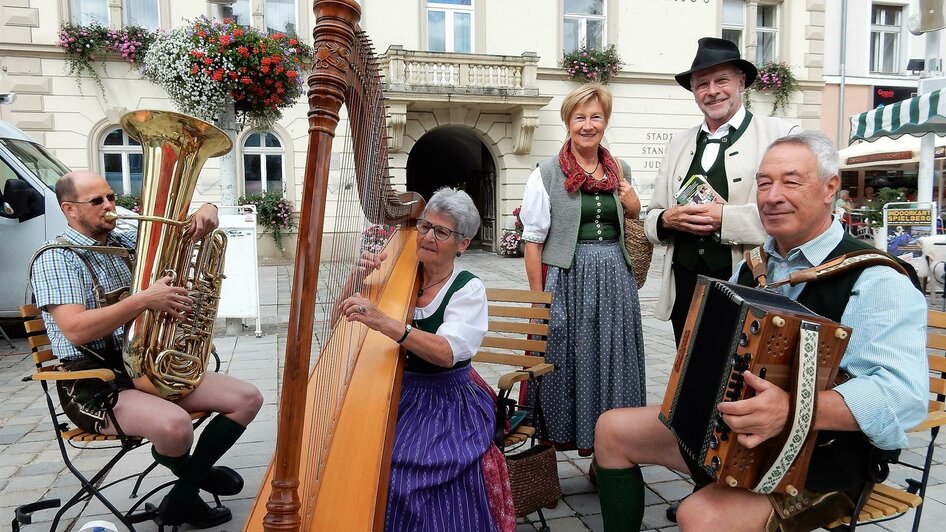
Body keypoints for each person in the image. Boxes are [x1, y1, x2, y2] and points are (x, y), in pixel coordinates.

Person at [594, 132, 928, 531]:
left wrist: (793, 410)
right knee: (612, 429)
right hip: (737, 431)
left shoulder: (875, 277)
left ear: (829, 188)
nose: (772, 196)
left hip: (825, 456)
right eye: (764, 183)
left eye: (791, 181)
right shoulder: (754, 266)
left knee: (699, 516)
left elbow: (903, 395)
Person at [29, 171, 263, 529]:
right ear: (69, 209)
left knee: (247, 398)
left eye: (110, 196)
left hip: (147, 364)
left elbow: (187, 230)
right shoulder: (57, 258)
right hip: (93, 382)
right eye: (97, 201)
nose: (110, 206)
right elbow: (75, 330)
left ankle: (181, 496)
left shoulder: (125, 238)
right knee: (175, 426)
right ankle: (194, 485)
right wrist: (144, 300)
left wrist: (208, 208)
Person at [340, 187, 514, 532]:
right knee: (355, 460)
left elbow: (446, 353)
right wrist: (356, 279)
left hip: (446, 399)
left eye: (442, 232)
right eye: (424, 226)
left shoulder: (467, 289)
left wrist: (387, 323)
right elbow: (337, 324)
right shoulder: (396, 269)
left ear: (462, 244)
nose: (428, 237)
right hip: (393, 388)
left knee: (403, 472)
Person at [644, 37, 800, 345]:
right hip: (685, 284)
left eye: (721, 80)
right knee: (690, 374)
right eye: (702, 84)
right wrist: (666, 220)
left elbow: (792, 214)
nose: (712, 91)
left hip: (748, 282)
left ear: (741, 82)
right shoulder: (679, 143)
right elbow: (651, 216)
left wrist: (724, 219)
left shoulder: (780, 136)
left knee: (739, 377)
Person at [519, 83, 646, 455]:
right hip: (569, 279)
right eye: (580, 118)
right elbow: (533, 241)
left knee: (614, 360)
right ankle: (563, 441)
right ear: (568, 122)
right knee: (567, 361)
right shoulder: (546, 172)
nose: (588, 125)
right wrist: (539, 302)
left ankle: (611, 451)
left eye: (596, 117)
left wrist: (635, 206)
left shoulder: (620, 170)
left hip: (615, 279)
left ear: (605, 122)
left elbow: (633, 225)